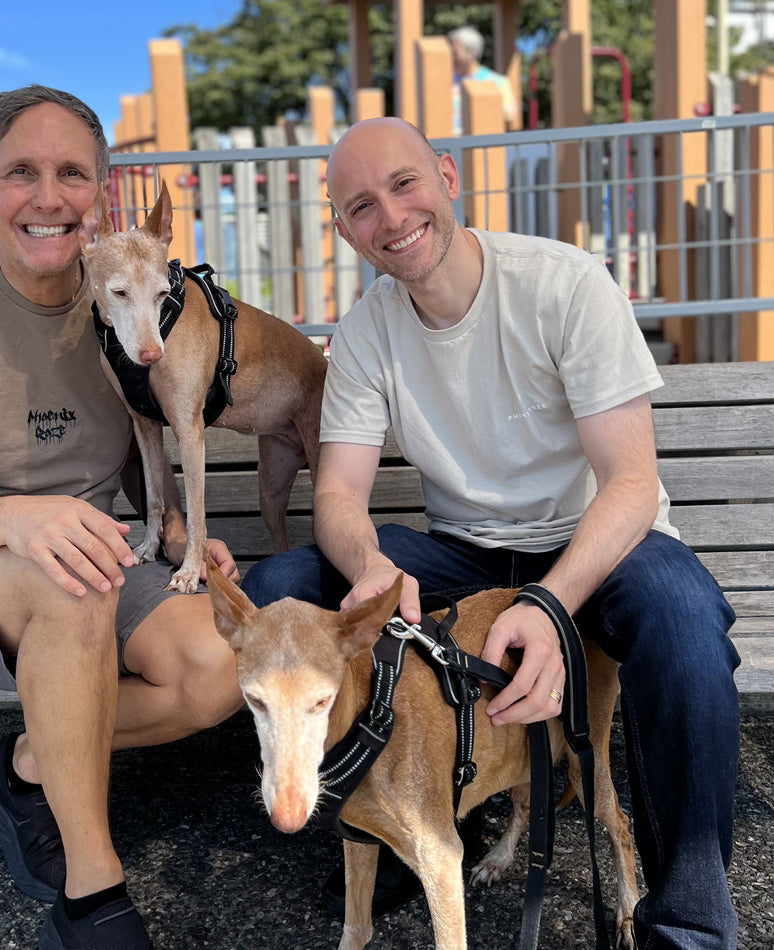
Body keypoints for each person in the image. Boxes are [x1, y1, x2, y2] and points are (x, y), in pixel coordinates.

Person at [240, 117, 741, 949]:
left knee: (685, 627)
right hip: (466, 547)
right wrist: (367, 565)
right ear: (343, 228)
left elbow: (630, 482)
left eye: (404, 185)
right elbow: (336, 491)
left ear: (446, 175)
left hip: (594, 539)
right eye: (361, 206)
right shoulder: (368, 330)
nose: (391, 217)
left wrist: (550, 604)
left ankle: (690, 924)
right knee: (281, 593)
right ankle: (408, 811)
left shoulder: (564, 283)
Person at [0, 85, 245, 950]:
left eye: (71, 173)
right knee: (68, 581)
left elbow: (148, 447)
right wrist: (15, 521)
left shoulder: (122, 296)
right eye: (20, 173)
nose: (47, 196)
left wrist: (178, 534)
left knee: (218, 666)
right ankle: (92, 890)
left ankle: (26, 763)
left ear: (99, 198)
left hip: (91, 558)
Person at [449, 24, 518, 134]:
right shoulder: (445, 82)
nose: (451, 57)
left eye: (455, 53)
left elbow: (510, 115)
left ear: (471, 52)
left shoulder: (497, 82)